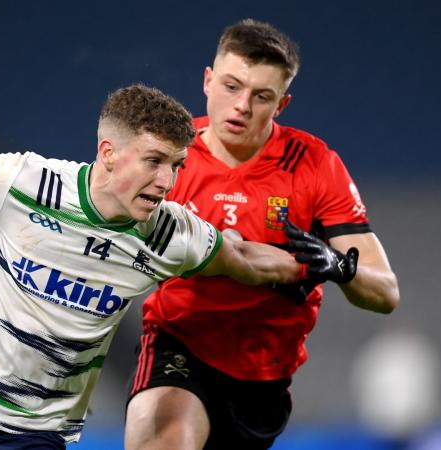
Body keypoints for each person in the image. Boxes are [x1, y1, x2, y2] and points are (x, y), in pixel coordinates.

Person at [0, 84, 306, 449]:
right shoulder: (24, 181)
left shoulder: (171, 235)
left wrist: (309, 267)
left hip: (36, 436)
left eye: (177, 165)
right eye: (154, 161)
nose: (166, 181)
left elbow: (240, 257)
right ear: (108, 153)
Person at [124, 20, 401, 450]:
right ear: (207, 81)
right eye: (231, 87)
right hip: (178, 345)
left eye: (261, 97)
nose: (241, 106)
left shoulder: (314, 165)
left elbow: (385, 292)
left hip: (263, 376)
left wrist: (339, 269)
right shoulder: (167, 156)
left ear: (282, 104)